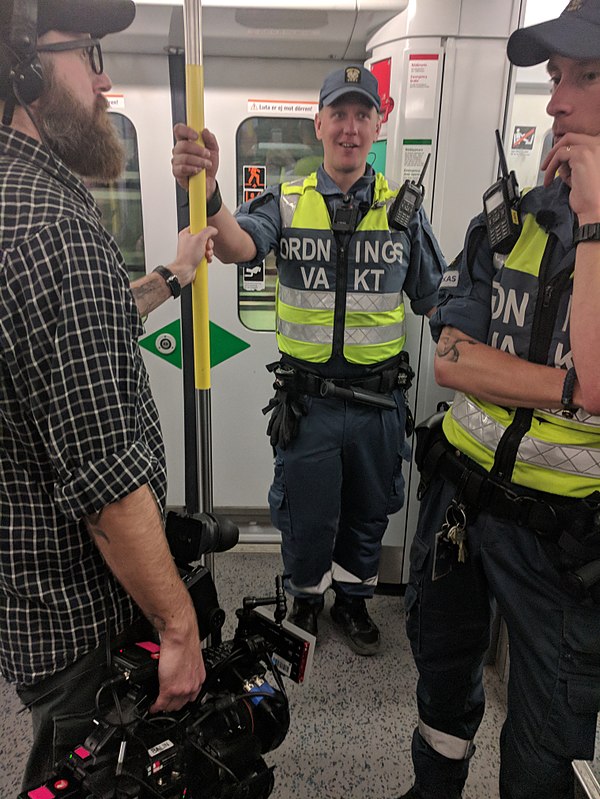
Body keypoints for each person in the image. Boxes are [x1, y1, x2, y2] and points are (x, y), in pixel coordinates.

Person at [0, 0, 217, 789]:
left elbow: (49, 343)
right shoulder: (57, 228)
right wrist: (178, 625)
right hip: (80, 619)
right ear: (22, 70)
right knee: (87, 775)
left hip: (27, 602)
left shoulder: (12, 205)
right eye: (85, 53)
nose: (103, 78)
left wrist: (169, 278)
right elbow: (105, 487)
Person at [171, 65, 445, 656]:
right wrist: (212, 192)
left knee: (368, 514)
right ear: (319, 124)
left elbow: (432, 301)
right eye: (339, 115)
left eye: (362, 115)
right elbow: (238, 245)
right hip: (309, 405)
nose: (350, 128)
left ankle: (353, 604)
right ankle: (305, 600)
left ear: (380, 123)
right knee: (305, 516)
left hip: (378, 406)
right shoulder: (287, 202)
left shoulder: (403, 210)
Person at [398, 2, 600, 799]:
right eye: (555, 78)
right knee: (443, 677)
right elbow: (451, 359)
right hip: (462, 507)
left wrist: (593, 223)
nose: (556, 101)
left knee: (548, 735)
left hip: (565, 544)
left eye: (587, 76)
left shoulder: (586, 225)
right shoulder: (505, 221)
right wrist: (571, 389)